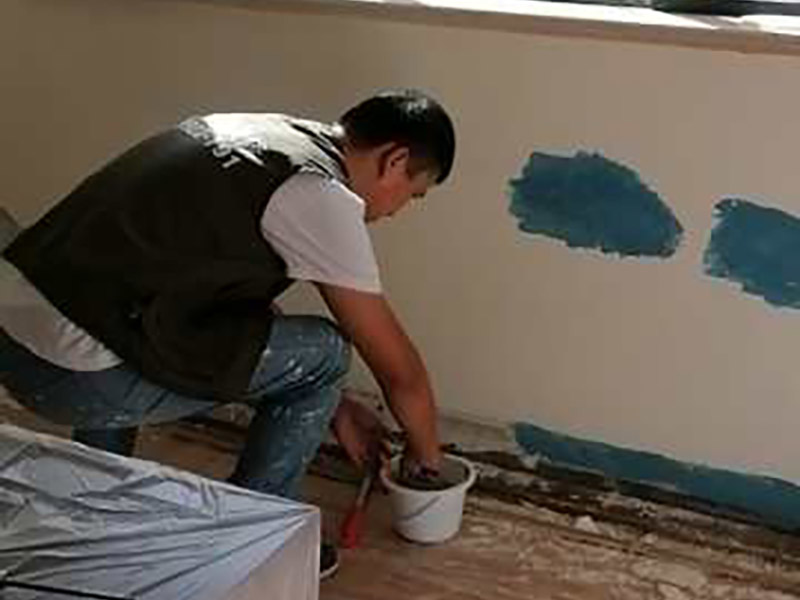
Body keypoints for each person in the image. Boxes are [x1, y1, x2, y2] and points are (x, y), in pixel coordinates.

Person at [0, 89, 455, 578]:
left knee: (118, 307)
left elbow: (216, 294)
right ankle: (256, 537)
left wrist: (334, 403)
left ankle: (96, 500)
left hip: (15, 332)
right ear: (394, 160)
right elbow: (400, 372)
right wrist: (426, 462)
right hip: (73, 375)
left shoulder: (255, 134)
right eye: (413, 194)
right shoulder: (319, 193)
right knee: (326, 352)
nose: (398, 210)